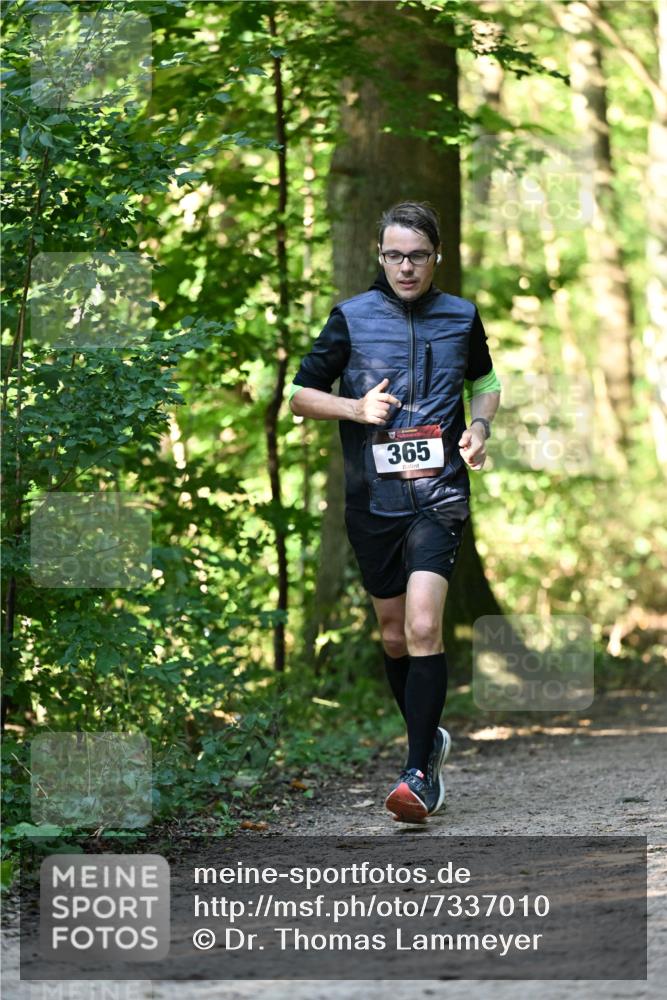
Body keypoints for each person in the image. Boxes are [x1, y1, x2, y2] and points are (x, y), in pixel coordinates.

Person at [289, 201, 501, 823]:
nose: (405, 267)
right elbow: (299, 395)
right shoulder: (351, 318)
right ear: (379, 256)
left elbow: (484, 385)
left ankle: (417, 774)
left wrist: (481, 430)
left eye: (417, 256)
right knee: (391, 634)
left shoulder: (461, 317)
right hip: (373, 501)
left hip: (438, 495)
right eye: (393, 256)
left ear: (437, 256)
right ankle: (427, 736)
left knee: (424, 626)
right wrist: (355, 411)